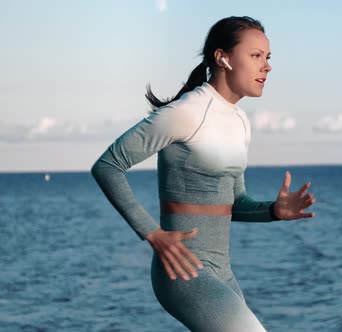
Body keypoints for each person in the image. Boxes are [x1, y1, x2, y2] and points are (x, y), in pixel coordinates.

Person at [91, 16, 316, 332]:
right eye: (255, 55)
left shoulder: (239, 123)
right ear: (223, 57)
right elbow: (107, 166)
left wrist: (272, 211)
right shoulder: (185, 112)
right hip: (183, 270)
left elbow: (232, 203)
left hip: (221, 271)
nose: (267, 66)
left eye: (267, 57)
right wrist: (153, 235)